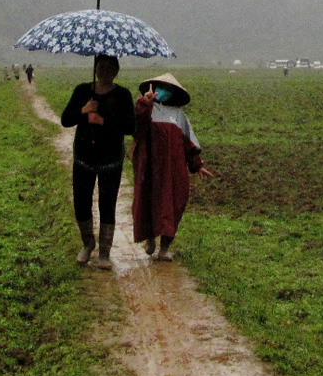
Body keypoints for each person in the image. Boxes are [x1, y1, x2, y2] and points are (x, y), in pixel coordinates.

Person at [60, 54, 135, 269]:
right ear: (95, 68)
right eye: (101, 67)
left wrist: (104, 121)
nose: (104, 71)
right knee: (81, 202)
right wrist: (83, 111)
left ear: (116, 71)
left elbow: (130, 127)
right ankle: (87, 244)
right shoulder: (82, 91)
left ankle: (104, 253)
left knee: (107, 203)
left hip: (110, 158)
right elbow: (66, 120)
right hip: (84, 157)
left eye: (110, 68)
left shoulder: (123, 95)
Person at [132, 74, 214, 262]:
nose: (164, 92)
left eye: (168, 89)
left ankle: (165, 248)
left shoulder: (178, 115)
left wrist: (197, 165)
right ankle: (150, 238)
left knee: (173, 203)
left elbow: (189, 143)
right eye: (160, 87)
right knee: (147, 201)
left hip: (173, 170)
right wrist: (146, 103)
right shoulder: (145, 108)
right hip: (150, 168)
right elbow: (136, 130)